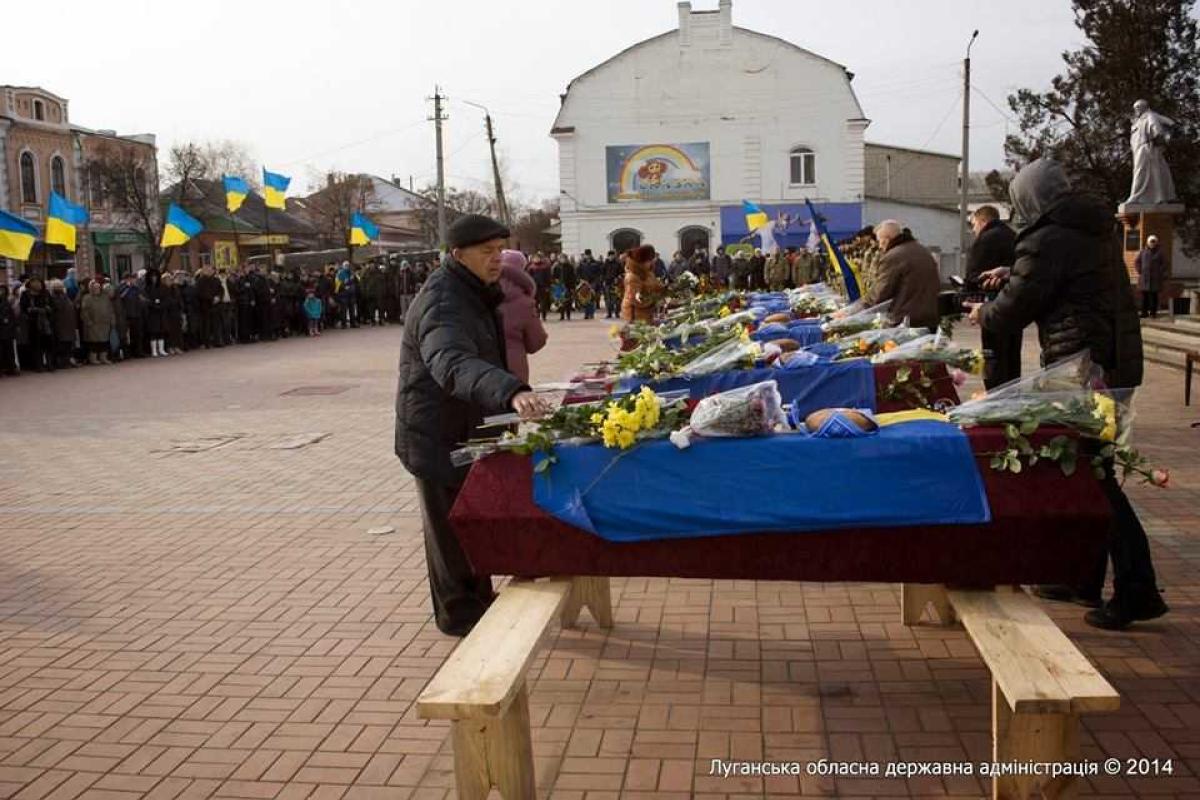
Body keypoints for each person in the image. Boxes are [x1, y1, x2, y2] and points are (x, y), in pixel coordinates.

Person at [966, 157, 1166, 631]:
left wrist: (983, 313)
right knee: (1084, 470)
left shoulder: (1047, 238)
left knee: (1095, 477)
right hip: (1109, 359)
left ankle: (1137, 588)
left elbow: (1015, 308)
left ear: (1029, 199)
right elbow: (1058, 279)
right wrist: (1012, 271)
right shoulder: (1088, 228)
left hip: (1084, 369)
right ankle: (1081, 579)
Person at [395, 214, 552, 636]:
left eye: (500, 250)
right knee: (449, 532)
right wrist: (510, 391)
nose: (497, 258)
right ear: (457, 254)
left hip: (467, 426)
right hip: (437, 433)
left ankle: (479, 604)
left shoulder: (474, 290)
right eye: (486, 251)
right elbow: (453, 362)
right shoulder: (443, 302)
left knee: (469, 521)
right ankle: (462, 619)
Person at [966, 205, 1020, 389]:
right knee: (1012, 356)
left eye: (974, 225)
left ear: (982, 221)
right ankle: (1013, 394)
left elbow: (973, 276)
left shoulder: (985, 239)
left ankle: (995, 396)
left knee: (993, 356)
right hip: (1014, 304)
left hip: (993, 305)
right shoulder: (1013, 235)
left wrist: (967, 289)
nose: (974, 230)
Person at [864, 220, 941, 332]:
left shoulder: (893, 256)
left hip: (905, 320)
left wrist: (853, 311)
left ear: (887, 239)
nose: (880, 246)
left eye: (880, 241)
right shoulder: (923, 250)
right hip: (930, 317)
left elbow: (880, 293)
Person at [498, 249, 548, 384]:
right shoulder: (524, 302)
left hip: (481, 371)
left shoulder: (478, 294)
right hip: (513, 369)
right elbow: (536, 342)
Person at [621, 245, 662, 323]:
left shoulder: (648, 273)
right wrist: (654, 301)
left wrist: (666, 289)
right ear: (641, 261)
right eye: (650, 260)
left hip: (647, 313)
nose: (652, 262)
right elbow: (635, 299)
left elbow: (656, 286)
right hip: (635, 315)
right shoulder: (632, 277)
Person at [80, 280, 114, 365]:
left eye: (98, 288)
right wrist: (88, 321)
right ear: (91, 289)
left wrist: (112, 320)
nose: (97, 289)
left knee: (104, 342)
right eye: (95, 288)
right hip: (93, 324)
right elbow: (84, 311)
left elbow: (110, 309)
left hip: (105, 324)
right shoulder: (87, 298)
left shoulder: (105, 297)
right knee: (94, 342)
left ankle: (103, 357)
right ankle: (93, 358)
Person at [49, 279, 78, 369]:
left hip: (67, 324)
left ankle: (66, 361)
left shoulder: (64, 297)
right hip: (61, 324)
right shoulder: (55, 298)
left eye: (60, 286)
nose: (59, 288)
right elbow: (58, 308)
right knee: (62, 345)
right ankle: (62, 362)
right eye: (57, 287)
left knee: (67, 345)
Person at [1136, 235, 1167, 318]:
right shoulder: (1143, 251)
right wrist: (1140, 270)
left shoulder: (1160, 253)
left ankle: (1153, 313)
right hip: (1144, 278)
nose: (1152, 243)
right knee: (1144, 297)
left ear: (1156, 243)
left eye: (1154, 242)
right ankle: (1144, 313)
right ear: (1148, 242)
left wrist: (1159, 272)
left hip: (1155, 279)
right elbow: (1137, 261)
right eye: (1151, 242)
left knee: (1154, 297)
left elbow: (1164, 264)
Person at [0, 285, 18, 375]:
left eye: (3, 290)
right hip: (2, 328)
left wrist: (12, 324)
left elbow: (12, 316)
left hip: (7, 330)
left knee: (9, 349)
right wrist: (3, 319)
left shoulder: (7, 302)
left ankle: (11, 367)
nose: (1, 292)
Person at [602, 250, 622, 319]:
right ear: (608, 256)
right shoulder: (605, 263)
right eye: (610, 256)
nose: (611, 257)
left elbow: (621, 273)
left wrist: (618, 278)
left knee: (617, 299)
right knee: (608, 299)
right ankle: (609, 313)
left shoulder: (618, 263)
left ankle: (617, 313)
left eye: (612, 255)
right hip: (607, 283)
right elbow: (602, 273)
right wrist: (603, 280)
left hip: (616, 283)